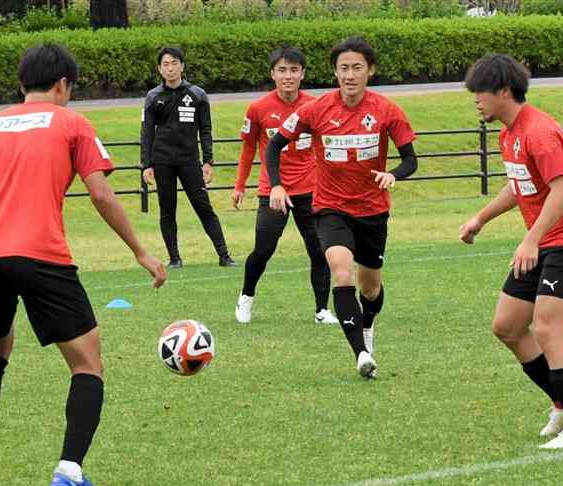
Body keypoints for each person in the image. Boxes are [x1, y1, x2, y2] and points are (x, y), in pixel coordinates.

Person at [0, 44, 167, 486]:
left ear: (21, 85)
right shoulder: (72, 123)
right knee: (87, 362)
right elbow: (101, 195)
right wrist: (141, 251)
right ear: (63, 84)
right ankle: (70, 471)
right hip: (41, 255)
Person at [460, 53, 563, 449]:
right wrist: (481, 218)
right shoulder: (510, 133)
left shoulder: (539, 131)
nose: (476, 99)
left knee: (547, 328)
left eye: (481, 92)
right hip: (545, 241)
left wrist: (531, 239)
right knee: (507, 326)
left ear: (504, 91)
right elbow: (519, 184)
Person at [266, 36, 417, 379]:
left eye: (357, 68)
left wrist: (393, 174)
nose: (349, 75)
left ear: (370, 71)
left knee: (371, 288)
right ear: (335, 71)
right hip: (331, 208)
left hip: (373, 211)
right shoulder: (315, 110)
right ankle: (361, 353)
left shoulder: (386, 110)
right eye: (343, 68)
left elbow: (411, 160)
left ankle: (367, 326)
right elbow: (274, 146)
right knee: (342, 272)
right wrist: (276, 183)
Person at [231, 46, 338, 325]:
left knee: (318, 249)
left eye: (293, 70)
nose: (287, 76)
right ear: (272, 74)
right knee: (264, 250)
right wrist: (240, 186)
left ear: (302, 73)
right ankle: (246, 296)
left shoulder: (316, 105)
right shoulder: (258, 108)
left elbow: (326, 146)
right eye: (282, 70)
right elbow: (248, 150)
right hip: (273, 190)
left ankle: (321, 310)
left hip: (311, 190)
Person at [140, 46, 236, 269]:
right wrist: (147, 164)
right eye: (166, 64)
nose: (171, 68)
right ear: (159, 69)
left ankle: (224, 255)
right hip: (162, 161)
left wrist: (208, 160)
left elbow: (205, 130)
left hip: (189, 160)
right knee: (167, 209)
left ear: (182, 66)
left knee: (204, 207)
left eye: (175, 63)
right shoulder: (153, 96)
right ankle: (175, 259)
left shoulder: (197, 94)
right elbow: (147, 133)